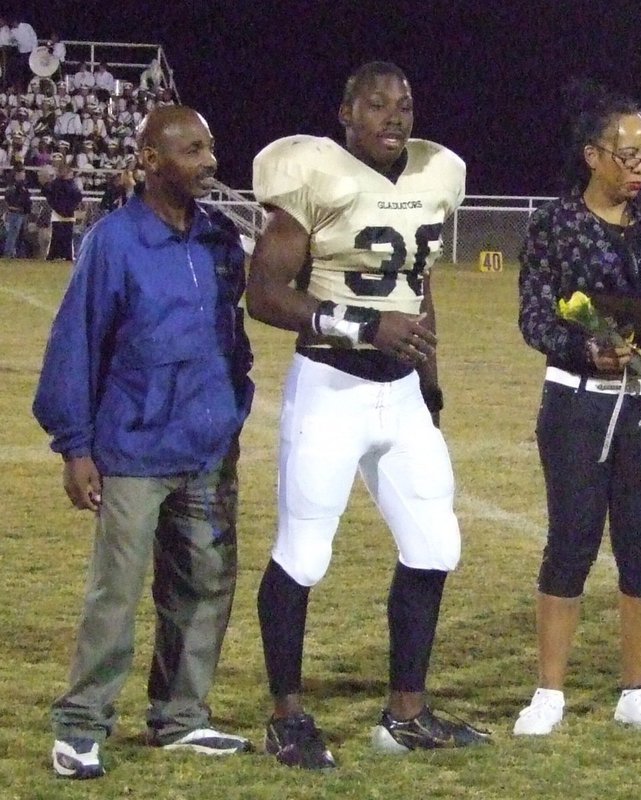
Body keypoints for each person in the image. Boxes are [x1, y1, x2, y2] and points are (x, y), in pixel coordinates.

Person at [247, 60, 490, 770]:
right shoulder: (312, 174)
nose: (394, 116)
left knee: (434, 545)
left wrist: (432, 386)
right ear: (346, 111)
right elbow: (264, 292)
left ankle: (406, 714)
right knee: (303, 551)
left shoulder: (435, 175)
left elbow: (419, 290)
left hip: (402, 393)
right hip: (331, 386)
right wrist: (362, 326)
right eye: (378, 104)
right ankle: (286, 717)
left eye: (405, 105)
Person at [32, 104, 255, 779]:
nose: (207, 162)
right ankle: (80, 725)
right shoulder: (114, 242)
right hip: (132, 450)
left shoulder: (220, 241)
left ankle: (181, 718)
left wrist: (230, 407)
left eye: (210, 147)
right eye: (191, 150)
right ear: (150, 161)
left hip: (208, 449)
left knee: (205, 587)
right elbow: (77, 341)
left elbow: (232, 340)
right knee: (117, 593)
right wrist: (75, 445)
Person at [514, 78, 641, 736]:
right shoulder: (555, 225)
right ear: (592, 154)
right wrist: (582, 346)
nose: (639, 169)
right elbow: (536, 315)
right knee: (569, 545)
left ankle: (637, 693)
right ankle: (549, 694)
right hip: (576, 407)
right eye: (627, 156)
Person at [3, 167, 31, 256]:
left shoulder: (23, 186)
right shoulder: (12, 187)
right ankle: (9, 252)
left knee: (19, 234)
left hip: (22, 212)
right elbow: (10, 199)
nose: (24, 175)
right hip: (15, 212)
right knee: (13, 233)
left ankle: (18, 252)